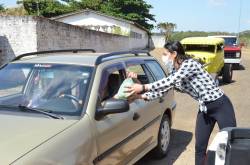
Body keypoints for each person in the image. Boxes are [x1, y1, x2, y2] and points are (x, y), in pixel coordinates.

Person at [125, 41, 237, 165]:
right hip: (205, 108)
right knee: (199, 147)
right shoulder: (174, 69)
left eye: (165, 53)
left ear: (174, 54)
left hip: (220, 105)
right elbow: (163, 90)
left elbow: (170, 81)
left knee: (229, 143)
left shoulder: (189, 64)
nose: (163, 56)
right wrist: (139, 97)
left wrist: (143, 87)